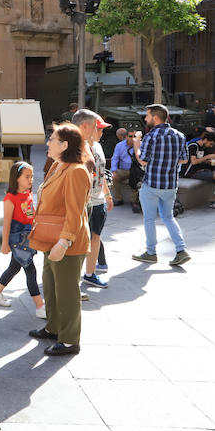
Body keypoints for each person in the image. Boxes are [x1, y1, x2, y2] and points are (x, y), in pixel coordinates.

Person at [28, 123, 91, 356]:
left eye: (52, 139)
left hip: (66, 242)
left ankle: (69, 340)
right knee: (52, 287)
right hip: (49, 238)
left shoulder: (76, 171)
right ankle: (54, 328)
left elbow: (75, 213)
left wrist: (64, 242)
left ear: (64, 145)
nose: (48, 142)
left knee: (66, 291)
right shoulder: (58, 165)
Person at [132, 104, 191, 266]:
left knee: (149, 219)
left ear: (155, 118)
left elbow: (142, 160)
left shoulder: (151, 136)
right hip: (171, 185)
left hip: (151, 184)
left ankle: (151, 253)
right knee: (168, 217)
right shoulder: (179, 135)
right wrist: (168, 161)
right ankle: (181, 249)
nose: (145, 118)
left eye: (147, 115)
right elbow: (185, 159)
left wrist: (137, 143)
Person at [0, 161, 46, 319]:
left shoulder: (27, 194)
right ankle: (39, 306)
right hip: (17, 240)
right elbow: (6, 222)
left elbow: (30, 216)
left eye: (32, 176)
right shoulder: (10, 198)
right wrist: (5, 243)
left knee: (14, 267)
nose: (31, 179)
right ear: (16, 178)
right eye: (27, 176)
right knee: (30, 270)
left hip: (27, 239)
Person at [71, 109, 113, 289]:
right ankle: (71, 279)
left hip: (98, 201)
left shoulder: (98, 146)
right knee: (77, 241)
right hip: (81, 203)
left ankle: (90, 274)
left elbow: (101, 173)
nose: (101, 133)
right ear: (84, 127)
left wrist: (107, 195)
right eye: (99, 129)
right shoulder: (72, 149)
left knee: (95, 237)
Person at [182, 130, 215, 209]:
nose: (211, 146)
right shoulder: (193, 146)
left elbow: (201, 160)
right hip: (191, 172)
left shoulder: (204, 148)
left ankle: (214, 200)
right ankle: (213, 199)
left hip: (201, 170)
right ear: (205, 140)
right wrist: (207, 157)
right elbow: (193, 162)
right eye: (210, 144)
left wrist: (209, 162)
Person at [110, 127, 134, 206]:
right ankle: (118, 199)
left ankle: (135, 201)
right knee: (114, 176)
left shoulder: (140, 145)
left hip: (135, 170)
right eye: (130, 136)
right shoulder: (119, 146)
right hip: (124, 170)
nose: (132, 139)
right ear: (126, 137)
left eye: (135, 136)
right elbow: (115, 158)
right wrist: (114, 170)